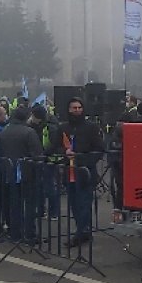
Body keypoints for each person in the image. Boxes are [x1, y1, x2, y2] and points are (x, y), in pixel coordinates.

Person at [54, 98, 105, 246]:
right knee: (74, 204)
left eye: (79, 108)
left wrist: (84, 161)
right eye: (74, 108)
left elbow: (99, 149)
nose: (77, 110)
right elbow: (55, 147)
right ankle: (82, 230)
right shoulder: (63, 128)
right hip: (69, 172)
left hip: (85, 173)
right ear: (69, 110)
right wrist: (65, 152)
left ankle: (82, 233)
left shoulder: (91, 127)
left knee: (84, 203)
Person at [0, 106, 44, 242]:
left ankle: (15, 233)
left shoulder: (3, 132)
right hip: (28, 172)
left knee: (14, 204)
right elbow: (37, 154)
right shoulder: (29, 132)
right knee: (29, 205)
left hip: (9, 173)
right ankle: (30, 234)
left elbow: (0, 153)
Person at [28, 104, 60, 219]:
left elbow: (54, 144)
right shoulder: (32, 126)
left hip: (48, 160)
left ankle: (54, 212)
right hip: (37, 160)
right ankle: (41, 210)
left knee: (49, 186)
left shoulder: (51, 128)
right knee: (39, 187)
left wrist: (43, 154)